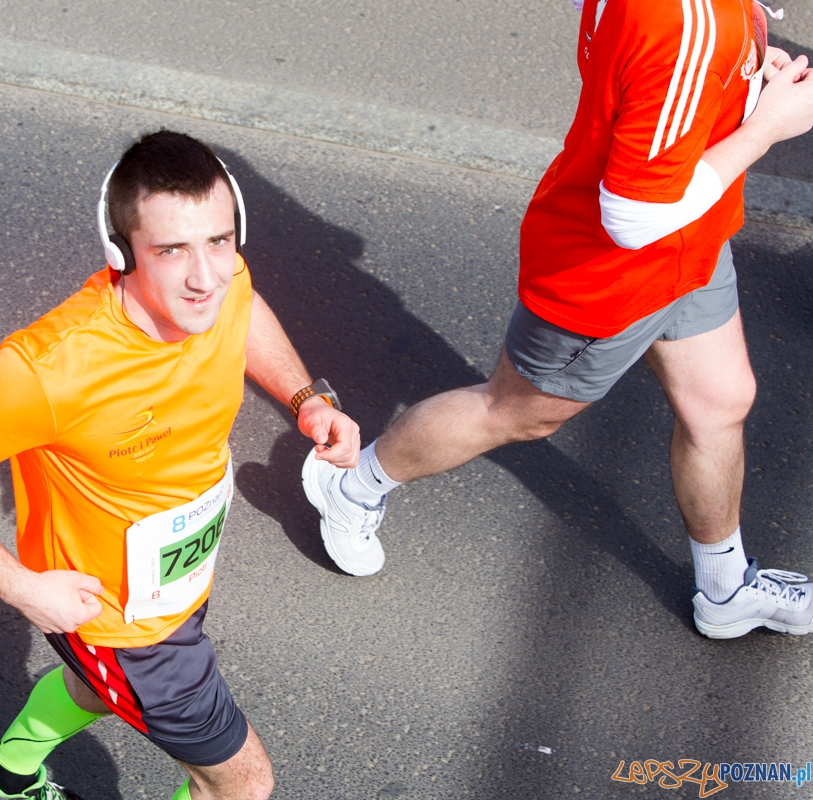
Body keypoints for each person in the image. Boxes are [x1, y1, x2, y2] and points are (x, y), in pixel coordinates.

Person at [304, 0, 813, 639]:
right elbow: (633, 217)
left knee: (721, 402)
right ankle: (351, 485)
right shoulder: (684, 24)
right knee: (514, 412)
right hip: (610, 276)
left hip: (693, 239)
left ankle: (726, 591)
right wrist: (766, 128)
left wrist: (736, 72)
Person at [0, 130, 360, 800]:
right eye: (171, 250)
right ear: (122, 249)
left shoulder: (223, 283)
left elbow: (243, 308)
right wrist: (19, 587)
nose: (205, 276)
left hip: (176, 580)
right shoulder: (48, 369)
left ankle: (1, 777)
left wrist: (305, 400)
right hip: (120, 625)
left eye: (219, 241)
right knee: (243, 785)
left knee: (94, 691)